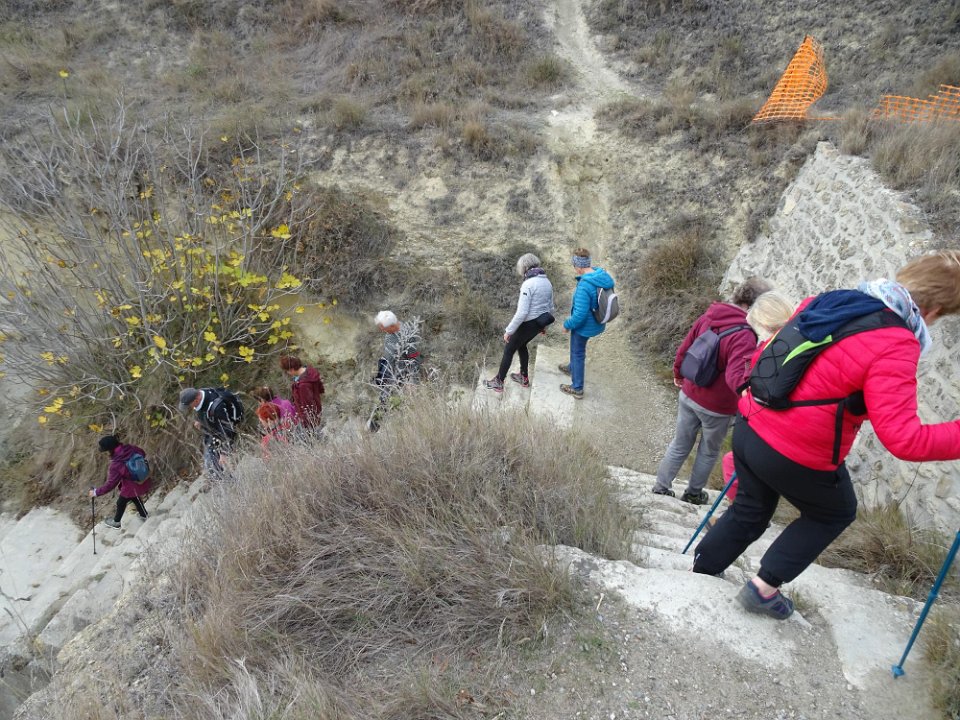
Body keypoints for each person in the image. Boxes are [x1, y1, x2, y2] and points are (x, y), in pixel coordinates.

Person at [692, 250, 960, 620]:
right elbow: (905, 439)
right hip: (795, 452)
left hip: (751, 423)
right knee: (834, 512)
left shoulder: (834, 300)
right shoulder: (898, 342)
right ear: (935, 310)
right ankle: (763, 588)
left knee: (750, 508)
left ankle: (701, 571)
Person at [651, 277, 773, 504]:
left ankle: (661, 487)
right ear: (752, 306)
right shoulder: (745, 335)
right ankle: (693, 494)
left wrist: (678, 374)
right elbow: (737, 377)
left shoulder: (711, 315)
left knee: (679, 444)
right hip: (717, 407)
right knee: (708, 451)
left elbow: (685, 347)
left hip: (689, 393)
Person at [484, 253, 554, 392]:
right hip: (539, 323)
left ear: (524, 267)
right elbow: (551, 307)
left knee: (509, 349)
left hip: (528, 323)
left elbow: (522, 312)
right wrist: (544, 326)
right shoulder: (547, 282)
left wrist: (509, 331)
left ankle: (499, 381)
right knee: (522, 345)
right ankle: (523, 377)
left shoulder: (528, 284)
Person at [559, 248, 615, 399]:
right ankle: (572, 368)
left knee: (578, 352)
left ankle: (577, 388)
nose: (574, 268)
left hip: (585, 327)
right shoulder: (601, 274)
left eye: (574, 265)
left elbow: (579, 315)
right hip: (597, 322)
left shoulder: (584, 285)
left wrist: (567, 325)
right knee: (576, 349)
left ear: (579, 266)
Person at [369, 311, 422, 431]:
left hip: (400, 372)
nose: (381, 329)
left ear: (392, 325)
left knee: (385, 398)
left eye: (383, 327)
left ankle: (374, 427)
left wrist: (413, 381)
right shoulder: (391, 331)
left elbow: (414, 359)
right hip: (389, 367)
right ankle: (374, 425)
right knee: (383, 396)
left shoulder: (407, 336)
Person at [179, 387, 243, 478]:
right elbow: (205, 413)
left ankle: (229, 482)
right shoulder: (201, 395)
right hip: (213, 432)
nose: (190, 407)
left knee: (214, 466)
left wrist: (224, 453)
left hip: (225, 435)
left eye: (189, 405)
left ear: (196, 399)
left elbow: (228, 430)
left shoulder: (216, 407)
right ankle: (222, 480)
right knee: (210, 465)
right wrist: (201, 423)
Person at [89, 435, 151, 529]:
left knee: (121, 502)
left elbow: (111, 485)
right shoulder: (130, 448)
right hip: (143, 478)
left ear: (109, 450)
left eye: (105, 451)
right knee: (135, 498)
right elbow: (143, 453)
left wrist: (96, 492)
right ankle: (144, 515)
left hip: (131, 486)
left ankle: (116, 522)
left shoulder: (116, 464)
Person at [279, 355, 324, 428]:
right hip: (317, 408)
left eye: (287, 371)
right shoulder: (310, 372)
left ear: (292, 369)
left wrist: (306, 423)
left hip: (311, 419)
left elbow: (307, 406)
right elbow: (321, 389)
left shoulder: (303, 385)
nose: (288, 373)